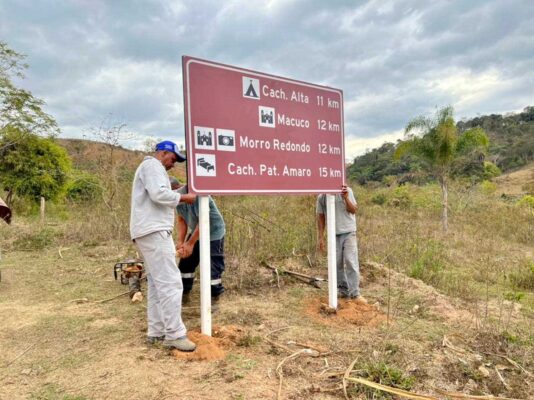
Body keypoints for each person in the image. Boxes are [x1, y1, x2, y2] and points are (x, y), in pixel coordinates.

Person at [130, 140, 197, 352]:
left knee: (158, 284)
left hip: (148, 230)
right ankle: (175, 334)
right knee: (171, 282)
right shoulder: (153, 166)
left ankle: (156, 331)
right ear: (163, 153)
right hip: (154, 231)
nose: (173, 164)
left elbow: (162, 192)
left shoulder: (151, 168)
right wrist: (186, 198)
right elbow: (159, 194)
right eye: (173, 158)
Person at [170, 178, 226, 307]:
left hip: (213, 231)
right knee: (186, 263)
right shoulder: (176, 198)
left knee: (213, 266)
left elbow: (204, 221)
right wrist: (181, 241)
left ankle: (214, 299)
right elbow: (181, 220)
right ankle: (184, 295)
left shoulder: (198, 194)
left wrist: (190, 243)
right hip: (197, 231)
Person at [316, 185, 365, 302]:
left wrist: (346, 198)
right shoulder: (322, 196)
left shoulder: (346, 191)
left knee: (350, 261)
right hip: (333, 234)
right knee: (336, 264)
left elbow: (353, 210)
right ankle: (343, 291)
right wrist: (321, 237)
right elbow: (321, 216)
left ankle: (355, 294)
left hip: (349, 232)